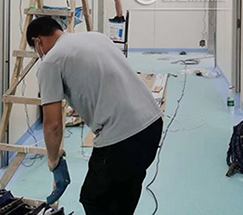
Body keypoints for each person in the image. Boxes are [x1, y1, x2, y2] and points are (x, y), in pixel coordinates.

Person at [27, 16, 163, 215]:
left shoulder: (51, 61)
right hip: (152, 124)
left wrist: (54, 162)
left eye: (36, 48)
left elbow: (52, 124)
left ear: (37, 41)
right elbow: (104, 77)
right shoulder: (96, 37)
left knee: (94, 199)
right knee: (126, 192)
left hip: (122, 138)